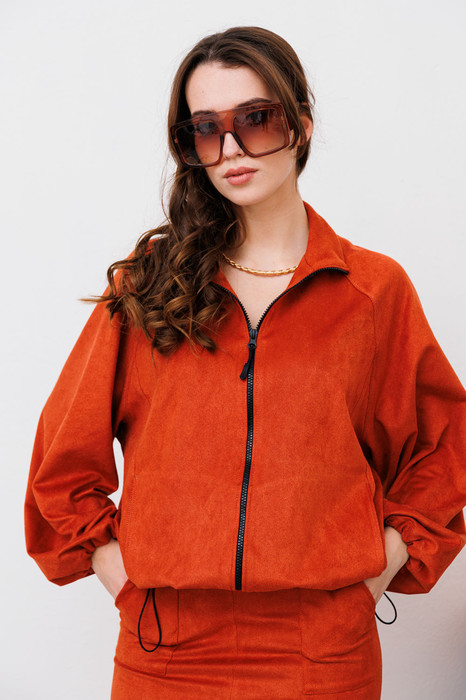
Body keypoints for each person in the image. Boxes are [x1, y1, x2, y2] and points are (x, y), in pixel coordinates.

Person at [25, 25, 466, 700]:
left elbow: (442, 449)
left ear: (301, 125)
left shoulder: (373, 291)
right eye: (205, 129)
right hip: (165, 651)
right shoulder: (150, 286)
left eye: (254, 119)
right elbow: (62, 461)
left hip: (323, 654)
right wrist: (124, 581)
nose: (230, 148)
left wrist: (374, 574)